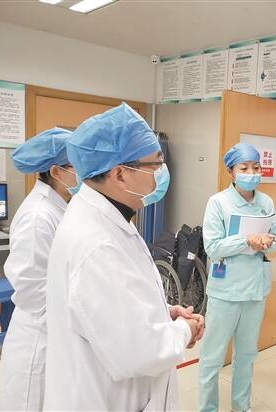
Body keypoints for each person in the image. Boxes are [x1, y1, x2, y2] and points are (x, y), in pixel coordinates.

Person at [43, 103, 204, 411]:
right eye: (156, 165)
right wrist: (186, 329)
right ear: (120, 174)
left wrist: (165, 313)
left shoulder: (110, 219)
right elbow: (138, 351)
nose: (162, 174)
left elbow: (121, 303)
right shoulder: (97, 243)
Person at [0, 127, 80, 411]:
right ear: (56, 171)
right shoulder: (37, 216)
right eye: (77, 165)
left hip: (55, 336)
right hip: (38, 341)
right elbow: (32, 290)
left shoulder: (59, 208)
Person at [199, 143, 276, 412]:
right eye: (244, 168)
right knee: (212, 358)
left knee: (246, 355)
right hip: (225, 291)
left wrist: (267, 242)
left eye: (256, 167)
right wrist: (247, 240)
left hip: (255, 290)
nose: (251, 173)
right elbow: (213, 248)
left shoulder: (266, 202)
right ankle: (208, 408)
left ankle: (241, 407)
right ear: (231, 172)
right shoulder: (218, 202)